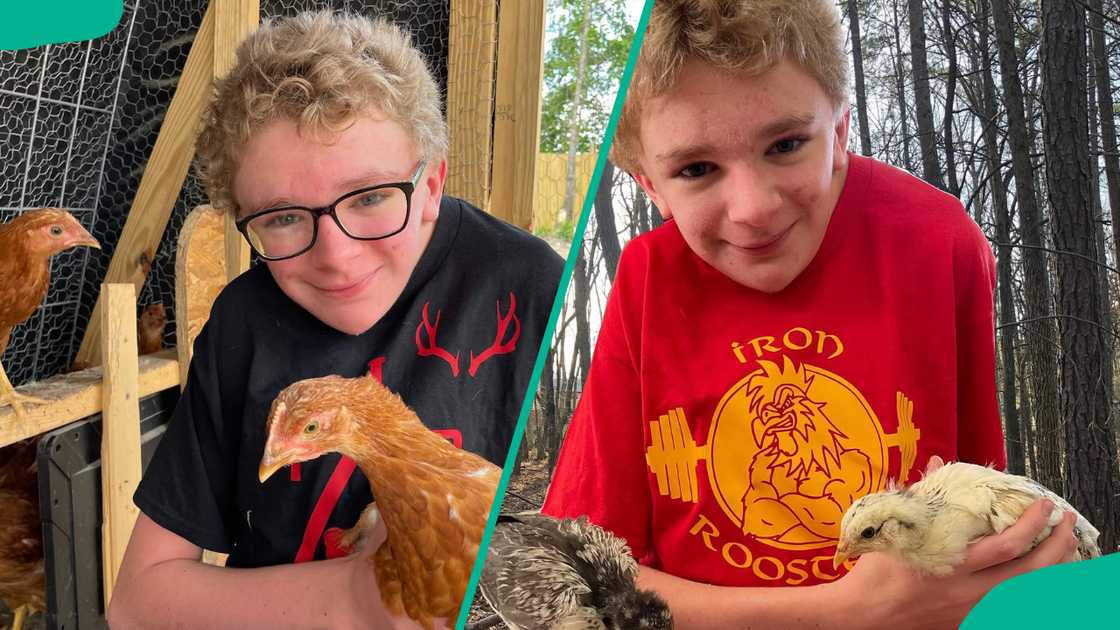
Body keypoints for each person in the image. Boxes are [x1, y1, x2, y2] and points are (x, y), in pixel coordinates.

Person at [540, 1, 1078, 628]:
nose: (754, 209)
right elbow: (577, 573)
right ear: (650, 185)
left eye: (786, 144)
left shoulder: (938, 244)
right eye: (696, 169)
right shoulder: (648, 279)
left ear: (841, 131)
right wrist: (841, 612)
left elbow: (984, 518)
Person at [107, 11, 562, 629]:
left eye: (371, 197)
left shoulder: (529, 290)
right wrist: (363, 597)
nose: (337, 257)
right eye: (282, 217)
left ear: (431, 184)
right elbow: (137, 604)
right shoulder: (246, 320)